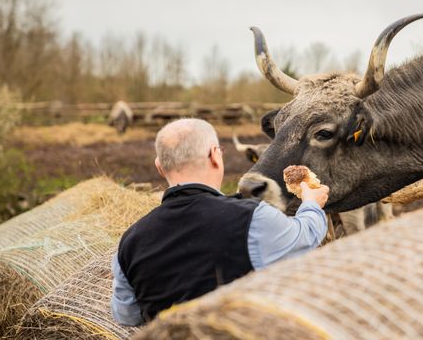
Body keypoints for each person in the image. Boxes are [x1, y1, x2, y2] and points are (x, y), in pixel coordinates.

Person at [111, 118, 329, 326]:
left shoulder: (130, 241)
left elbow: (126, 315)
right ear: (215, 156)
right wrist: (311, 203)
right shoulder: (253, 219)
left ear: (159, 166)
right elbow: (305, 237)